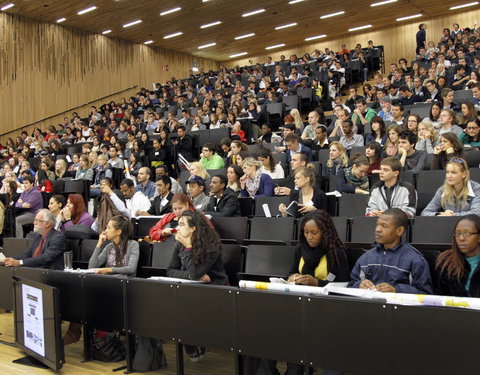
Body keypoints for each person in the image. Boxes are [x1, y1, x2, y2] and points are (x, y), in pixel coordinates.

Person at [166, 210, 228, 361]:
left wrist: (188, 248)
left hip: (216, 289)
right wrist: (191, 275)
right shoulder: (179, 243)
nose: (177, 228)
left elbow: (193, 275)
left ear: (193, 228)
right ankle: (194, 346)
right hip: (192, 286)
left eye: (181, 225)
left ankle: (198, 344)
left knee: (186, 310)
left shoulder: (211, 247)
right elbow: (170, 270)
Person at [349, 208, 432, 294]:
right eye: (377, 224)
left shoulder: (415, 259)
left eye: (384, 226)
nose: (378, 229)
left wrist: (396, 290)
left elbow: (425, 292)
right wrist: (359, 285)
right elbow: (351, 284)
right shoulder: (366, 257)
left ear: (399, 231)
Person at [435, 215, 480, 297]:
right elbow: (441, 297)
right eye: (457, 234)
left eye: (468, 233)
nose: (461, 238)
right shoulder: (446, 262)